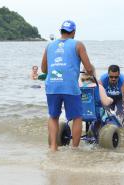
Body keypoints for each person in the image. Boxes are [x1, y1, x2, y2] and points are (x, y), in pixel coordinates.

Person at [41, 20, 93, 152]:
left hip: (52, 86)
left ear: (61, 31)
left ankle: (53, 147)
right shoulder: (78, 45)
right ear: (74, 32)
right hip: (70, 87)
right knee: (77, 117)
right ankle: (74, 148)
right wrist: (90, 72)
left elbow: (43, 69)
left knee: (53, 116)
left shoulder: (49, 46)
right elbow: (88, 68)